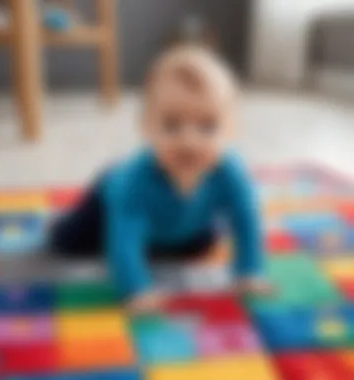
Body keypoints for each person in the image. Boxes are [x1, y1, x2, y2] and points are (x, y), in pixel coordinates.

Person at [50, 45, 271, 314]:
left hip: (178, 219)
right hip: (106, 206)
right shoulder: (135, 182)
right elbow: (124, 241)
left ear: (230, 128)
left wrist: (249, 272)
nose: (189, 141)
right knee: (68, 243)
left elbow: (247, 220)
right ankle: (70, 226)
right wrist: (137, 290)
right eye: (171, 125)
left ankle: (158, 239)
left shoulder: (231, 171)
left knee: (202, 245)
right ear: (146, 127)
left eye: (208, 126)